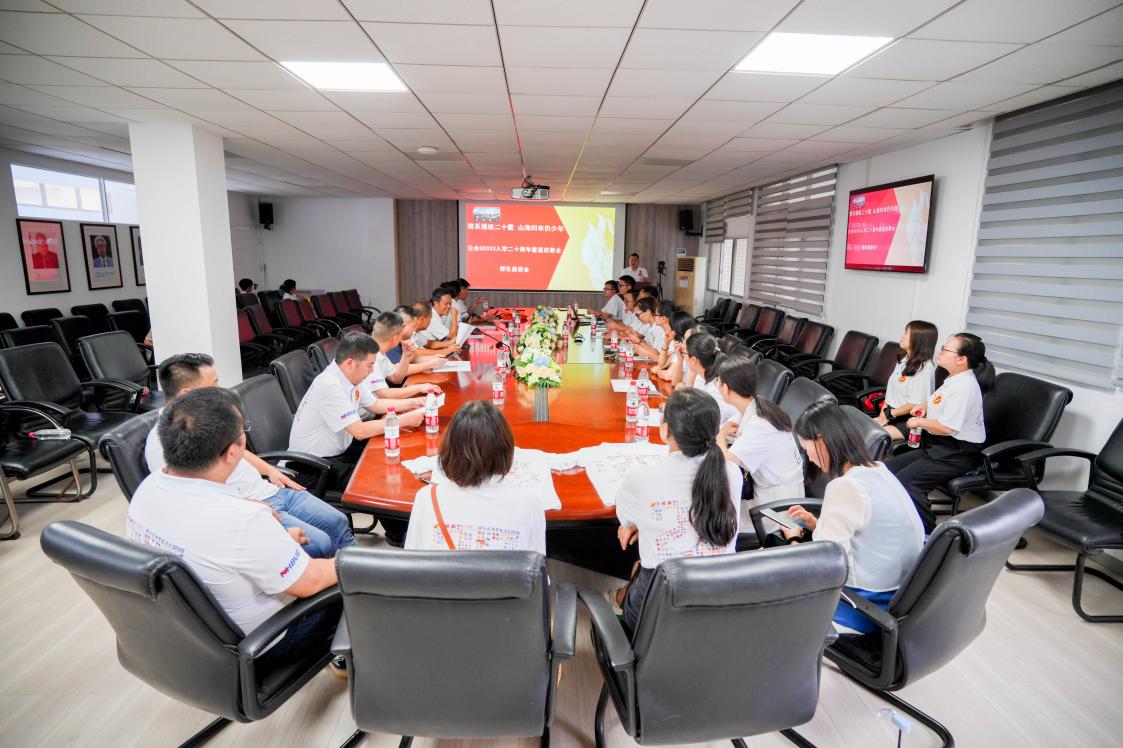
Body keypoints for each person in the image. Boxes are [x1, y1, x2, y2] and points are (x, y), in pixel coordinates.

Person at [127, 388, 340, 656]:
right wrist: (358, 564)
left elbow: (213, 547)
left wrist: (280, 541)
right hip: (264, 640)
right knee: (348, 587)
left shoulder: (147, 490)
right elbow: (312, 582)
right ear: (231, 453)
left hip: (191, 638)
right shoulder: (244, 519)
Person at [146, 353, 355, 559]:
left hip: (269, 490)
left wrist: (270, 470)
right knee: (319, 543)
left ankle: (358, 569)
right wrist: (250, 507)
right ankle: (337, 573)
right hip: (247, 508)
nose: (220, 390)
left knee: (337, 521)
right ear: (187, 393)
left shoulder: (204, 418)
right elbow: (192, 499)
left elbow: (239, 451)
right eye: (214, 384)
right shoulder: (165, 441)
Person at [782, 401, 924, 634]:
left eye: (807, 449)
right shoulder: (878, 470)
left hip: (863, 605)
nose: (810, 458)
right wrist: (818, 525)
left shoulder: (845, 487)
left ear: (821, 441)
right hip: (898, 596)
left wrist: (793, 539)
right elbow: (869, 534)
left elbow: (824, 567)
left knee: (775, 582)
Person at [615, 388, 742, 630]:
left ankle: (619, 603)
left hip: (657, 611)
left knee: (638, 569)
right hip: (717, 602)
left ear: (665, 430)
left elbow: (626, 519)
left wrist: (639, 524)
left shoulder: (642, 478)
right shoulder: (732, 473)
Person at [885, 332, 994, 533]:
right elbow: (941, 401)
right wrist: (925, 405)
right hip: (937, 447)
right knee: (886, 471)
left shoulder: (964, 387)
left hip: (956, 453)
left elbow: (947, 427)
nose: (940, 352)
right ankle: (902, 521)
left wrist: (918, 421)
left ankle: (928, 532)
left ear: (961, 359)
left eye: (945, 349)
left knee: (908, 483)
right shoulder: (954, 378)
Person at [289, 332, 425, 492]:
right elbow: (360, 431)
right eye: (370, 365)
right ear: (350, 363)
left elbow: (375, 404)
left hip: (340, 450)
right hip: (313, 465)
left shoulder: (348, 374)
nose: (372, 370)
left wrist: (413, 402)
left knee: (392, 456)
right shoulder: (329, 385)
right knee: (385, 480)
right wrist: (405, 420)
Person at [405, 401, 546, 552]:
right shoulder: (529, 504)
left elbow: (412, 560)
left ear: (449, 449)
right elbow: (536, 564)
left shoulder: (427, 498)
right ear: (506, 449)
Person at [716, 357, 805, 503]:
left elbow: (727, 461)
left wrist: (720, 436)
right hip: (766, 488)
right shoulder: (755, 404)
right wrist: (722, 433)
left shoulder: (761, 425)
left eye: (718, 382)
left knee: (717, 509)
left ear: (725, 388)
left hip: (779, 502)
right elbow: (729, 427)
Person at [875, 320, 938, 441]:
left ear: (918, 339)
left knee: (873, 437)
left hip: (909, 420)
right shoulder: (904, 359)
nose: (902, 336)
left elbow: (915, 404)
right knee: (862, 430)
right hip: (892, 413)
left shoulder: (924, 368)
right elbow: (891, 394)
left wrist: (889, 414)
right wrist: (883, 416)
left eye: (906, 333)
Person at [369, 311, 444, 393]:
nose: (414, 331)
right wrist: (419, 388)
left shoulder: (381, 352)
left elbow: (396, 379)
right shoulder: (372, 356)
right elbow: (384, 394)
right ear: (395, 338)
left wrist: (406, 355)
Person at [682, 332, 740, 423]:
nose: (683, 356)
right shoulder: (704, 375)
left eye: (684, 353)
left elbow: (706, 423)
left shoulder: (717, 388)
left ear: (693, 360)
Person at [416, 286, 460, 351]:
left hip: (430, 347)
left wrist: (449, 345)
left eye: (450, 303)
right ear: (436, 304)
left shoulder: (438, 314)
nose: (449, 306)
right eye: (446, 304)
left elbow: (429, 343)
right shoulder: (432, 316)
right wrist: (454, 316)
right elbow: (452, 336)